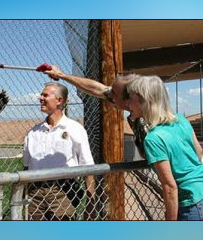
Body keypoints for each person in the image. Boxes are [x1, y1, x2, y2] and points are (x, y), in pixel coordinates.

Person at [125, 75, 203, 221]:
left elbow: (170, 187)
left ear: (144, 101)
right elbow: (199, 154)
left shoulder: (153, 138)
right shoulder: (181, 120)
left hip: (190, 205)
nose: (128, 104)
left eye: (131, 98)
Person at [23, 82, 96, 220]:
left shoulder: (75, 129)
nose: (40, 98)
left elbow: (88, 167)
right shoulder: (33, 133)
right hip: (34, 193)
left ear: (59, 100)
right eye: (41, 94)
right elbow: (26, 167)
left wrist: (90, 203)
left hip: (63, 192)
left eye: (45, 95)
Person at [42, 65, 148, 156]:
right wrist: (61, 75)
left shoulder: (152, 116)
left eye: (115, 93)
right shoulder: (135, 111)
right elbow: (98, 89)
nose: (111, 97)